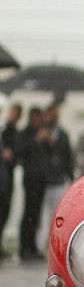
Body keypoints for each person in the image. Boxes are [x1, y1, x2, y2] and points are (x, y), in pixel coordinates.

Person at [36, 104, 75, 251]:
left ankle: (52, 244)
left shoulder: (62, 135)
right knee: (41, 215)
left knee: (55, 215)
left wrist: (70, 176)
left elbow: (67, 156)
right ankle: (39, 244)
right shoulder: (41, 133)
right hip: (43, 181)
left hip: (58, 179)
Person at [15, 108, 49, 260]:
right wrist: (36, 139)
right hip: (30, 178)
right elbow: (21, 150)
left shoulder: (42, 133)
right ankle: (24, 246)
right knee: (28, 212)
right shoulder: (26, 134)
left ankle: (32, 245)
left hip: (41, 178)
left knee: (36, 214)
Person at [0, 103, 21, 253]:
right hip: (4, 178)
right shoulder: (6, 129)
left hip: (5, 178)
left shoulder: (10, 131)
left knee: (4, 211)